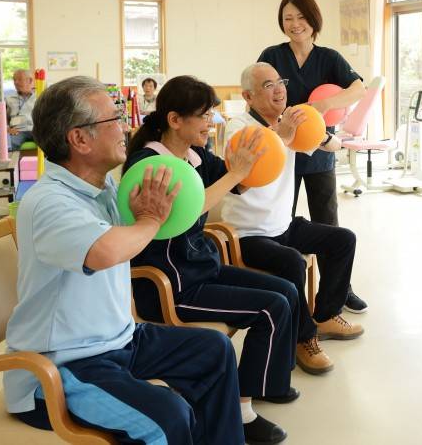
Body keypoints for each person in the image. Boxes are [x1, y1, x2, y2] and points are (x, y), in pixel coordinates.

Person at [4, 75, 244, 444]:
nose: (126, 127)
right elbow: (104, 252)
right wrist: (150, 219)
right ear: (79, 139)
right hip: (61, 364)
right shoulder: (49, 202)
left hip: (119, 341)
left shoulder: (105, 188)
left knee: (214, 350)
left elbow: (146, 233)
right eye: (113, 120)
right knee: (167, 417)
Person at [125, 75, 299, 445]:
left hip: (200, 267)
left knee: (284, 291)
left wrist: (253, 159)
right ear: (175, 120)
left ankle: (267, 382)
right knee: (270, 307)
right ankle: (241, 408)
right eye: (204, 116)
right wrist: (235, 171)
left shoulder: (195, 155)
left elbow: (238, 183)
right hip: (169, 284)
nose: (212, 123)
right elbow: (186, 211)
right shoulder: (149, 162)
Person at [221, 62, 363, 375]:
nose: (279, 89)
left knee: (343, 240)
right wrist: (283, 133)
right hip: (247, 234)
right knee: (292, 263)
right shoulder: (238, 127)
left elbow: (331, 144)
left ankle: (325, 315)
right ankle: (304, 339)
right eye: (268, 85)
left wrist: (323, 133)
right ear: (248, 96)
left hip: (283, 224)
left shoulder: (290, 123)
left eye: (280, 82)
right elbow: (257, 155)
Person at [258, 0, 369, 314]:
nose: (295, 24)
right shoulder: (272, 55)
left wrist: (325, 104)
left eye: (301, 17)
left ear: (313, 20)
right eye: (288, 18)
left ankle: (339, 291)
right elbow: (258, 92)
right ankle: (285, 289)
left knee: (329, 223)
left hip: (320, 150)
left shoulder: (329, 58)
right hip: (283, 150)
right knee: (281, 221)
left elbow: (359, 87)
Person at [5, 69, 36, 149]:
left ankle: (43, 160)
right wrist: (8, 129)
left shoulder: (40, 97)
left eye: (19, 79)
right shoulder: (9, 99)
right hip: (17, 131)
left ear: (30, 80)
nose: (16, 82)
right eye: (14, 80)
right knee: (13, 141)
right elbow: (1, 121)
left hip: (36, 130)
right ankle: (16, 161)